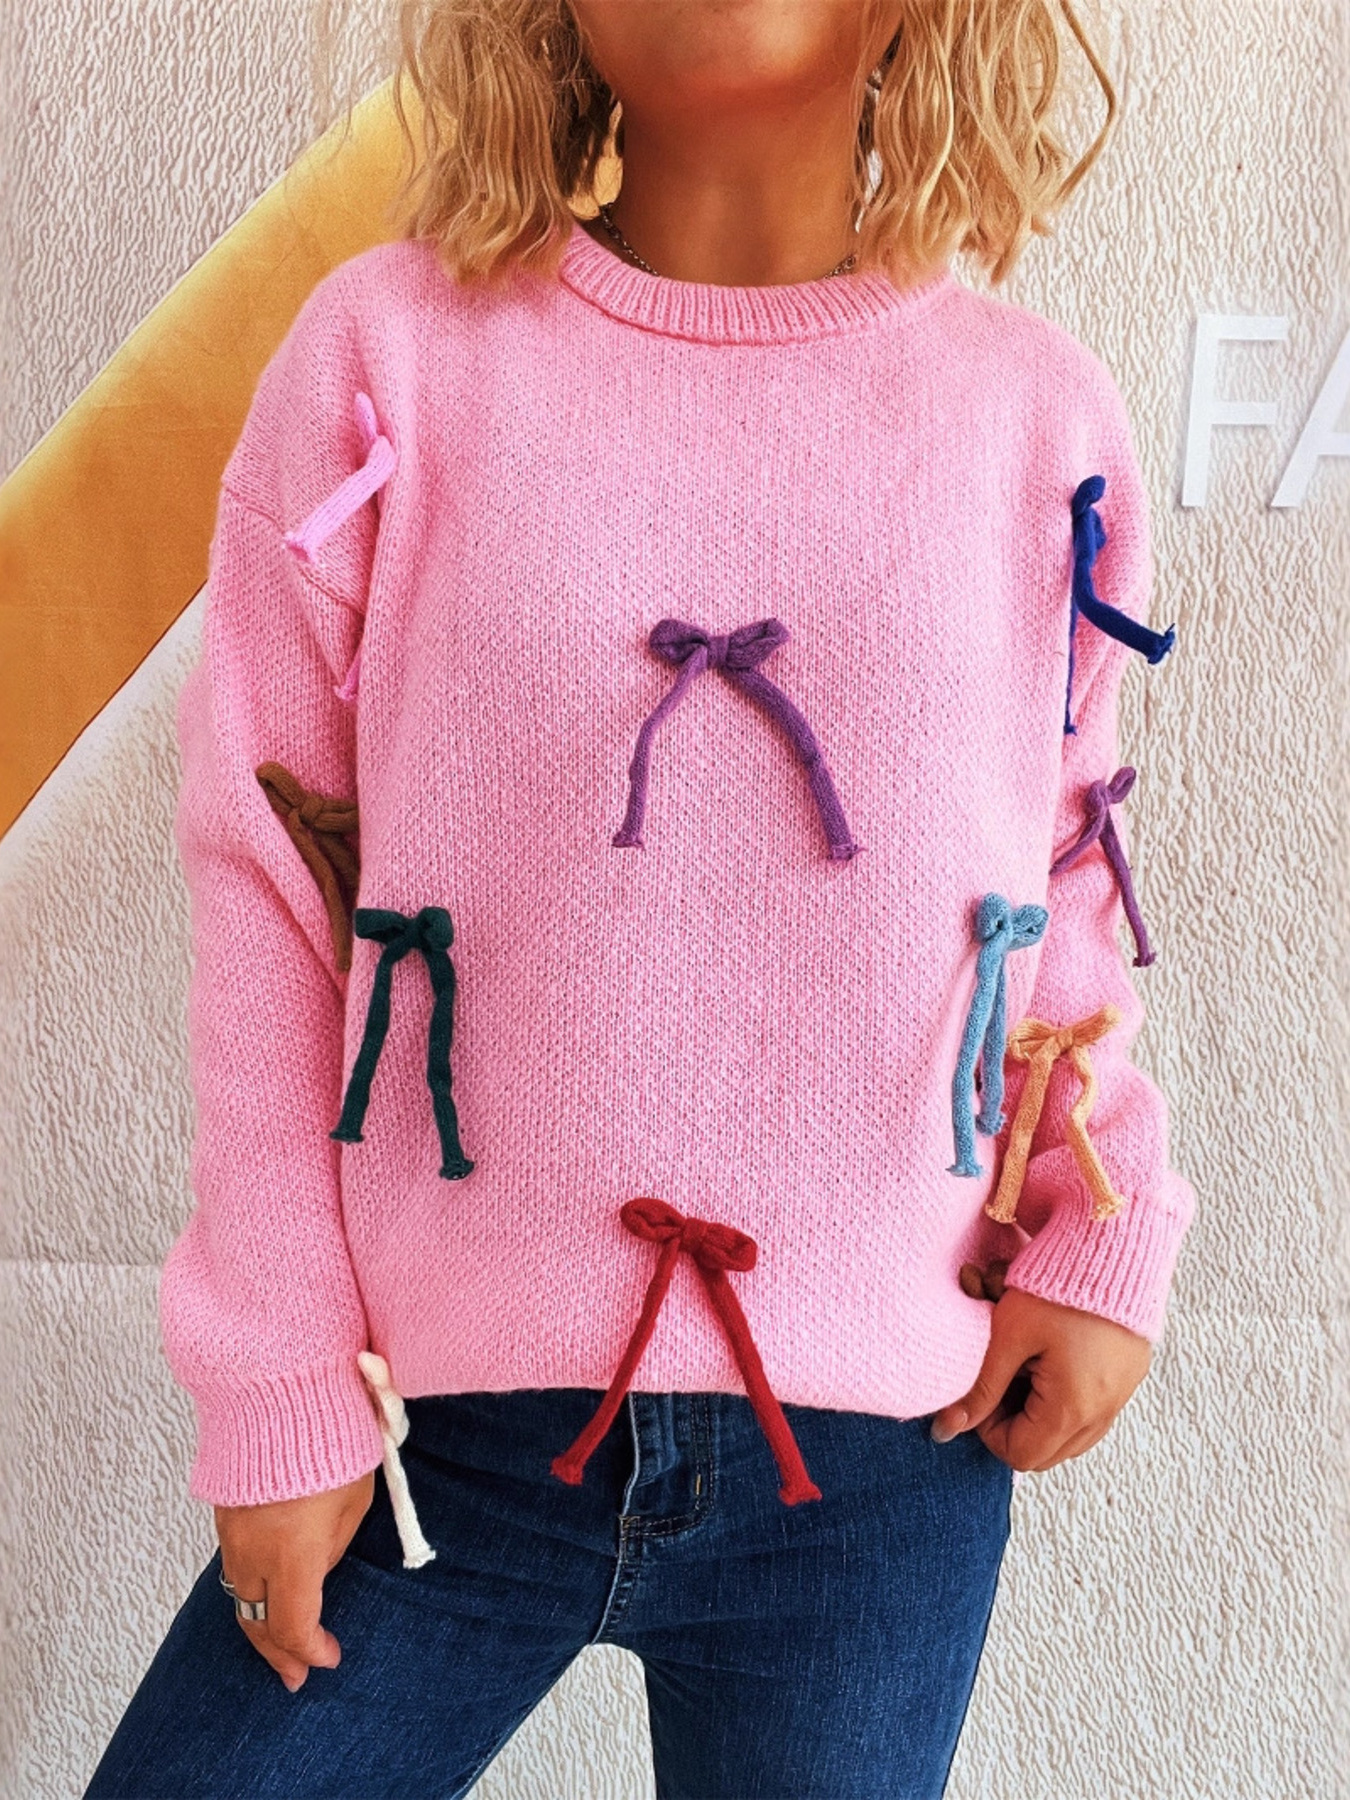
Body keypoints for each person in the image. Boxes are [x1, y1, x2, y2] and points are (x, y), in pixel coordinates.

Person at [84, 1, 1197, 1795]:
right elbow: (269, 880)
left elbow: (1061, 869)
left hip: (883, 1461)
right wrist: (274, 1373)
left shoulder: (1033, 414)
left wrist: (1104, 1215)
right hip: (439, 1443)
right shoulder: (388, 357)